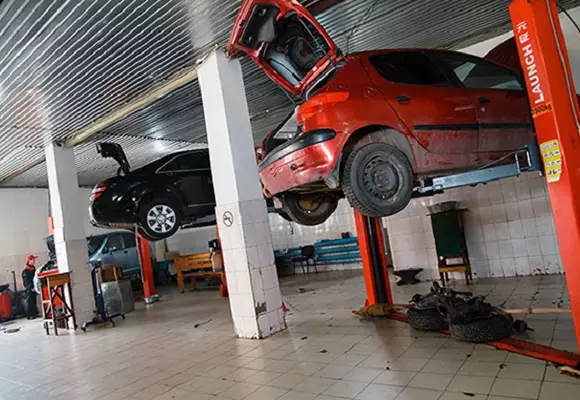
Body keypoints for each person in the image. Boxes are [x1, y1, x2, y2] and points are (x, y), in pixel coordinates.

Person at [22, 255, 38, 320]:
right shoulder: (26, 271)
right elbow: (26, 281)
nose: (34, 261)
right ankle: (30, 315)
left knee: (34, 301)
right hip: (29, 289)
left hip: (34, 288)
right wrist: (31, 287)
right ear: (29, 260)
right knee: (30, 302)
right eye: (33, 260)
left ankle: (34, 314)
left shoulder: (33, 269)